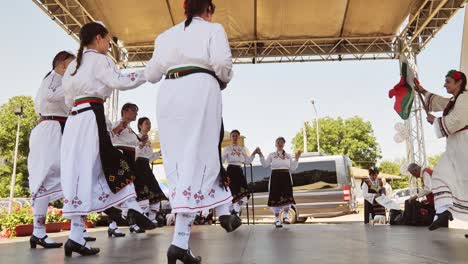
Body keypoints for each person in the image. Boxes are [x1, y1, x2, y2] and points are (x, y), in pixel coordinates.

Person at [144, 0, 240, 262]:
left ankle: (221, 211)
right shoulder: (213, 29)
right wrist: (223, 79)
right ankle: (185, 236)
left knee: (179, 161)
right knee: (201, 157)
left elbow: (152, 73)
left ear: (185, 9)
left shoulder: (165, 36)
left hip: (168, 94)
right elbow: (222, 64)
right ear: (208, 10)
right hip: (200, 88)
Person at [61, 22, 154, 257]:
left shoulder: (73, 65)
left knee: (80, 173)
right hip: (92, 116)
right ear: (99, 38)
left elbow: (67, 100)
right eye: (108, 40)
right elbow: (120, 81)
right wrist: (148, 73)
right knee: (112, 161)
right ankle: (132, 208)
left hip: (74, 121)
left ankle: (75, 236)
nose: (108, 45)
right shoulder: (99, 60)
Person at [28, 51, 75, 249]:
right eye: (71, 64)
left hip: (60, 129)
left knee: (69, 175)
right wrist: (73, 86)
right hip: (50, 129)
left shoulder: (61, 80)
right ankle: (38, 231)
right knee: (45, 177)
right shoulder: (53, 78)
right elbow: (50, 95)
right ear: (62, 64)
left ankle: (77, 231)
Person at [414, 70, 468, 234]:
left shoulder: (465, 98)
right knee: (439, 175)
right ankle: (443, 211)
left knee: (465, 183)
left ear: (458, 83)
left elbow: (459, 119)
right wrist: (422, 91)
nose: (444, 85)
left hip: (464, 143)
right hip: (454, 145)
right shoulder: (454, 100)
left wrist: (436, 121)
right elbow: (440, 102)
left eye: (448, 81)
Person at [107, 103, 147, 236]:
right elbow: (112, 135)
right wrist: (121, 125)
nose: (136, 113)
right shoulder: (119, 123)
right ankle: (132, 221)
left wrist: (141, 142)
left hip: (129, 158)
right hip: (121, 157)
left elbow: (136, 146)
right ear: (125, 111)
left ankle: (114, 225)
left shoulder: (130, 129)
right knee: (125, 188)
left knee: (125, 190)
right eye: (134, 111)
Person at [258, 137, 302, 228]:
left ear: (284, 144)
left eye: (282, 142)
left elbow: (293, 168)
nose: (280, 144)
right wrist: (260, 155)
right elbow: (265, 165)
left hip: (286, 178)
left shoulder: (288, 156)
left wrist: (297, 158)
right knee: (275, 197)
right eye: (278, 142)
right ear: (275, 144)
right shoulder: (272, 155)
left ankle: (285, 216)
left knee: (287, 197)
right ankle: (277, 219)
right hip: (275, 178)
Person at [135, 117, 168, 224]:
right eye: (146, 123)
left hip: (146, 167)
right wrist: (141, 143)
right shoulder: (135, 138)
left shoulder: (149, 141)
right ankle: (141, 219)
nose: (149, 125)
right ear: (140, 125)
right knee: (142, 193)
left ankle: (152, 218)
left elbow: (149, 158)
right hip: (138, 167)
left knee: (155, 192)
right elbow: (134, 153)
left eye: (149, 123)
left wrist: (159, 153)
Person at [222, 130, 259, 216]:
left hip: (239, 171)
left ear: (238, 137)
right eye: (233, 136)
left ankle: (235, 212)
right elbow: (222, 161)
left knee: (244, 194)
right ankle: (232, 211)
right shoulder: (227, 149)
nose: (235, 137)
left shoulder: (242, 149)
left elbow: (247, 161)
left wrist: (254, 153)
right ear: (230, 137)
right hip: (231, 171)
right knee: (232, 193)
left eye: (236, 136)